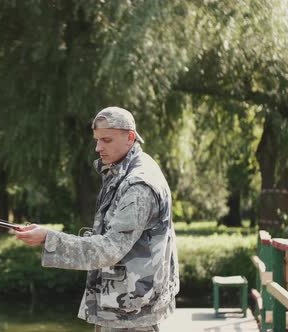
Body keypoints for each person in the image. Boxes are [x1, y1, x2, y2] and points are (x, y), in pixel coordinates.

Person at [15, 106, 179, 332]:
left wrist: (49, 239)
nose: (98, 147)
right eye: (97, 139)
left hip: (132, 316)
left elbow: (109, 249)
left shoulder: (139, 185)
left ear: (130, 137)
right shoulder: (123, 169)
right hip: (125, 309)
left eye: (106, 140)